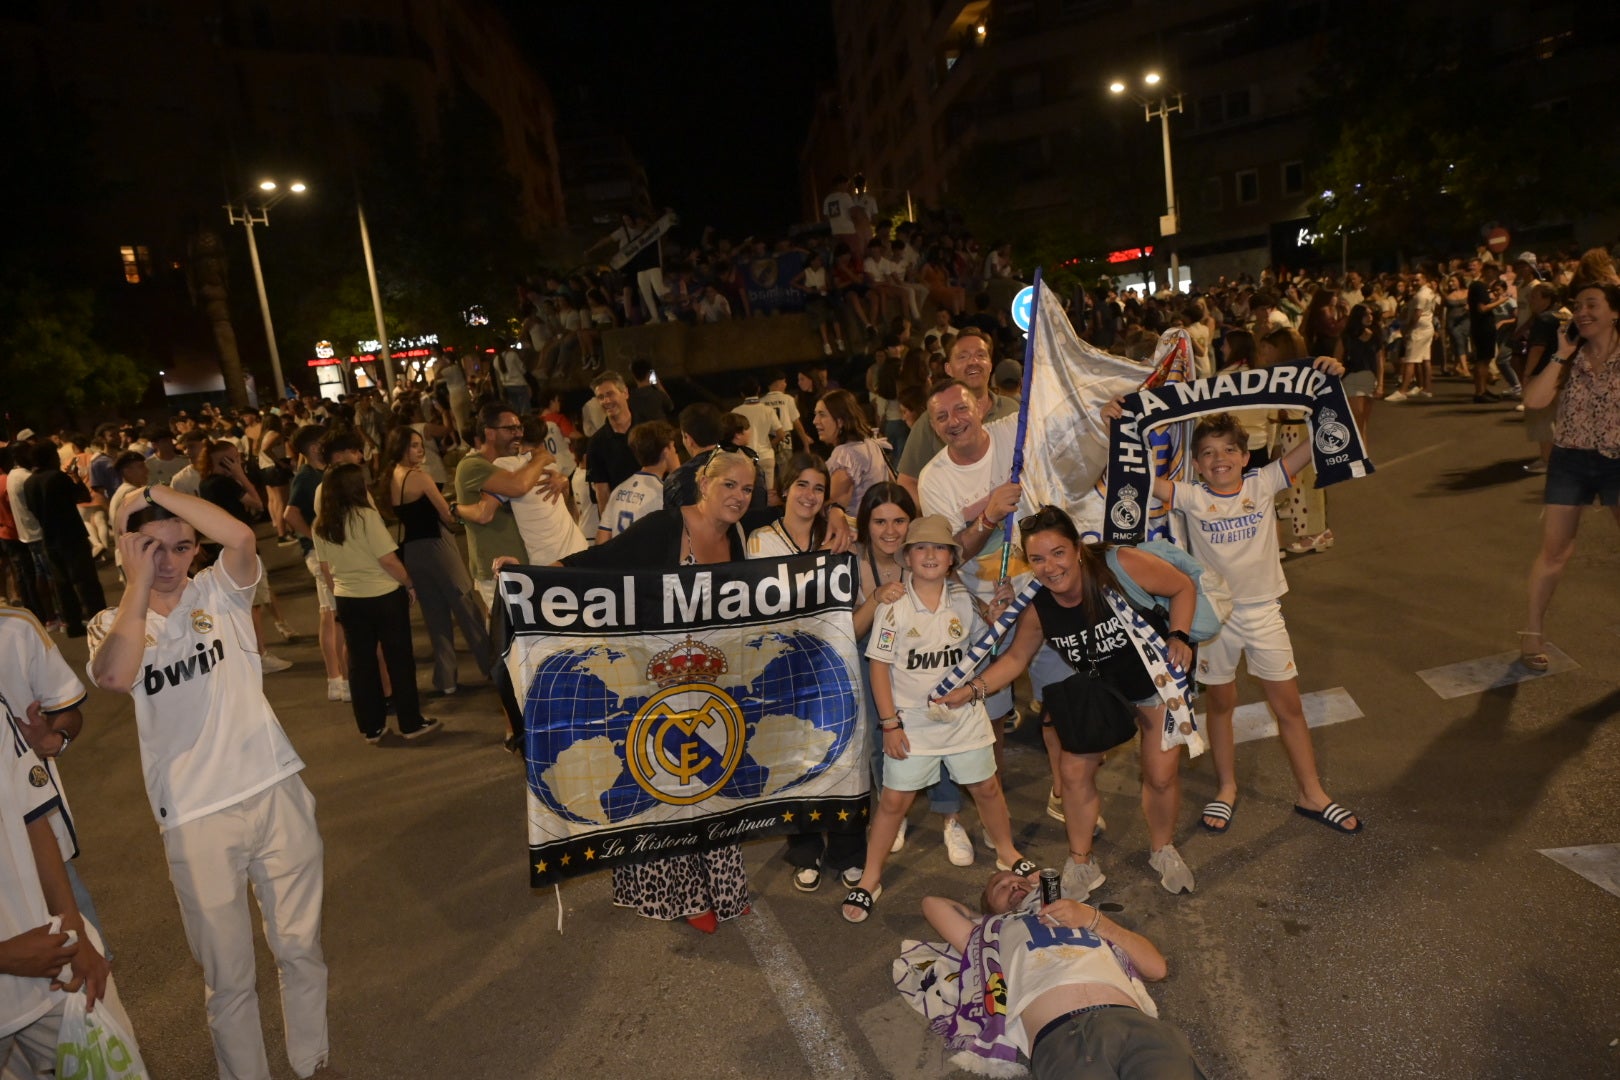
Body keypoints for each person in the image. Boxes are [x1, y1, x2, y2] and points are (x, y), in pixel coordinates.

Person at [87, 484, 338, 1078]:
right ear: (130, 553)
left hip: (274, 788)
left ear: (196, 548)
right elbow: (118, 677)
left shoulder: (219, 591)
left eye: (179, 547)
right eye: (151, 548)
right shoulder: (114, 622)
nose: (167, 562)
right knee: (229, 976)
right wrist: (136, 582)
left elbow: (244, 537)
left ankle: (311, 1061)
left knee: (300, 946)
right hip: (196, 816)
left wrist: (150, 491)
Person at [935, 505, 1200, 897]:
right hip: (1099, 689)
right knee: (1073, 775)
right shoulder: (1039, 603)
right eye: (1038, 558)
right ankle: (1081, 862)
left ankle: (1163, 849)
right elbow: (1014, 660)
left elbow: (1182, 587)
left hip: (1152, 679)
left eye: (1058, 553)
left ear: (1077, 548)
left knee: (1160, 774)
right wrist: (970, 690)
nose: (1050, 567)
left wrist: (1177, 635)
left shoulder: (1117, 565)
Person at [1137, 403, 1362, 837]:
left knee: (1289, 706)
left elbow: (1318, 439)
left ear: (1245, 455)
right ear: (1197, 464)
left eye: (1228, 450)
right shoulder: (1192, 496)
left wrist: (1324, 389)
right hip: (1213, 618)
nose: (1219, 459)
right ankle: (1226, 787)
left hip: (1263, 613)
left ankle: (1311, 792)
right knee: (1220, 705)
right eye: (1207, 452)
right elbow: (1133, 480)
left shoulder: (1263, 483)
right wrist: (1118, 426)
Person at [559, 451, 759, 933]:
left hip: (709, 683)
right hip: (650, 679)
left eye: (748, 490)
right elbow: (599, 562)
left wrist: (835, 512)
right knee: (668, 785)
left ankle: (720, 885)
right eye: (729, 485)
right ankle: (685, 895)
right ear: (704, 482)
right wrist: (528, 575)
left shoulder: (738, 535)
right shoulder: (663, 528)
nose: (738, 497)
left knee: (710, 782)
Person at [842, 515, 1027, 924]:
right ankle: (871, 876)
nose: (930, 554)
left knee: (987, 787)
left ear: (951, 558)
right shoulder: (893, 605)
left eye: (939, 548)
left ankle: (1007, 851)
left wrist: (995, 619)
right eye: (921, 547)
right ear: (907, 557)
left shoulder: (962, 600)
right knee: (892, 801)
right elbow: (878, 668)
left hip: (962, 717)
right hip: (911, 724)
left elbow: (984, 650)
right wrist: (889, 724)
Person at [915, 870, 1207, 1079]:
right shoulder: (991, 935)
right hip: (1063, 1039)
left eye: (1018, 880)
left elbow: (1156, 968)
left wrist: (1095, 920)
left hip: (1133, 1024)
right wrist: (986, 916)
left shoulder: (1081, 915)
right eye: (1000, 886)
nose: (1012, 884)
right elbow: (932, 903)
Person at [1519, 280, 1620, 672]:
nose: (1582, 312)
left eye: (1592, 305)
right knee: (1555, 552)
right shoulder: (1570, 356)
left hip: (1617, 463)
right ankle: (1532, 632)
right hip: (1571, 461)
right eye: (1578, 306)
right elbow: (1534, 400)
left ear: (1614, 312)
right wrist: (1561, 355)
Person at [314, 463, 441, 744]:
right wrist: (409, 583)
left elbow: (325, 568)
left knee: (361, 663)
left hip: (348, 597)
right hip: (383, 595)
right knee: (399, 659)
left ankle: (372, 727)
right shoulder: (365, 517)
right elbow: (388, 560)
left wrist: (340, 592)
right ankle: (411, 722)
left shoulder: (321, 523)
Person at [385, 427, 492, 697]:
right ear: (400, 448)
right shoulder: (419, 477)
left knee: (435, 616)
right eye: (413, 445)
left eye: (421, 445)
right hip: (437, 546)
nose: (420, 450)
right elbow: (447, 515)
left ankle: (446, 679)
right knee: (466, 605)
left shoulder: (392, 476)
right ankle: (492, 668)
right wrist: (463, 508)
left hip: (412, 551)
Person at [453, 402, 563, 607]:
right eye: (510, 429)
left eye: (519, 428)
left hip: (523, 564)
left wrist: (560, 479)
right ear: (489, 433)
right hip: (495, 570)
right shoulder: (472, 466)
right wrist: (541, 457)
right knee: (507, 634)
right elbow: (518, 486)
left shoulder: (513, 464)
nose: (518, 434)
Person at [284, 426, 349, 701]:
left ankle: (337, 680)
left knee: (329, 614)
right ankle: (340, 679)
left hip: (323, 552)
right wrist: (316, 539)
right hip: (320, 554)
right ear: (313, 448)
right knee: (334, 616)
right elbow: (290, 514)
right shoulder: (307, 477)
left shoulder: (318, 475)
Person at [21, 444, 105, 639]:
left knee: (63, 584)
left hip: (49, 537)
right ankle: (99, 620)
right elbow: (82, 496)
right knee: (86, 581)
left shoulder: (29, 482)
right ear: (50, 457)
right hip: (71, 535)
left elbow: (32, 509)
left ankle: (73, 624)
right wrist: (75, 477)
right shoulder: (56, 477)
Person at [597, 421, 676, 544]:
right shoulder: (664, 494)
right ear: (666, 451)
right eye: (673, 448)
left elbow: (602, 540)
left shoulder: (618, 490)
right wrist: (678, 472)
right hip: (646, 562)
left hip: (618, 561)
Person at [1340, 303, 1384, 450]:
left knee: (1363, 420)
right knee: (1357, 418)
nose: (1369, 318)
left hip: (1369, 381)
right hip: (1351, 380)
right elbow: (1337, 360)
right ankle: (1359, 454)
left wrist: (1380, 384)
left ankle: (1362, 453)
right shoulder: (1346, 338)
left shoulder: (1375, 337)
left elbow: (1380, 362)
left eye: (1371, 314)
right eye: (1366, 314)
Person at [732, 377, 785, 488]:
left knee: (748, 493)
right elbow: (781, 434)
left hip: (745, 459)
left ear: (742, 394)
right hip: (766, 456)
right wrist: (770, 445)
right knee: (768, 495)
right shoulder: (768, 410)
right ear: (759, 389)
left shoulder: (736, 412)